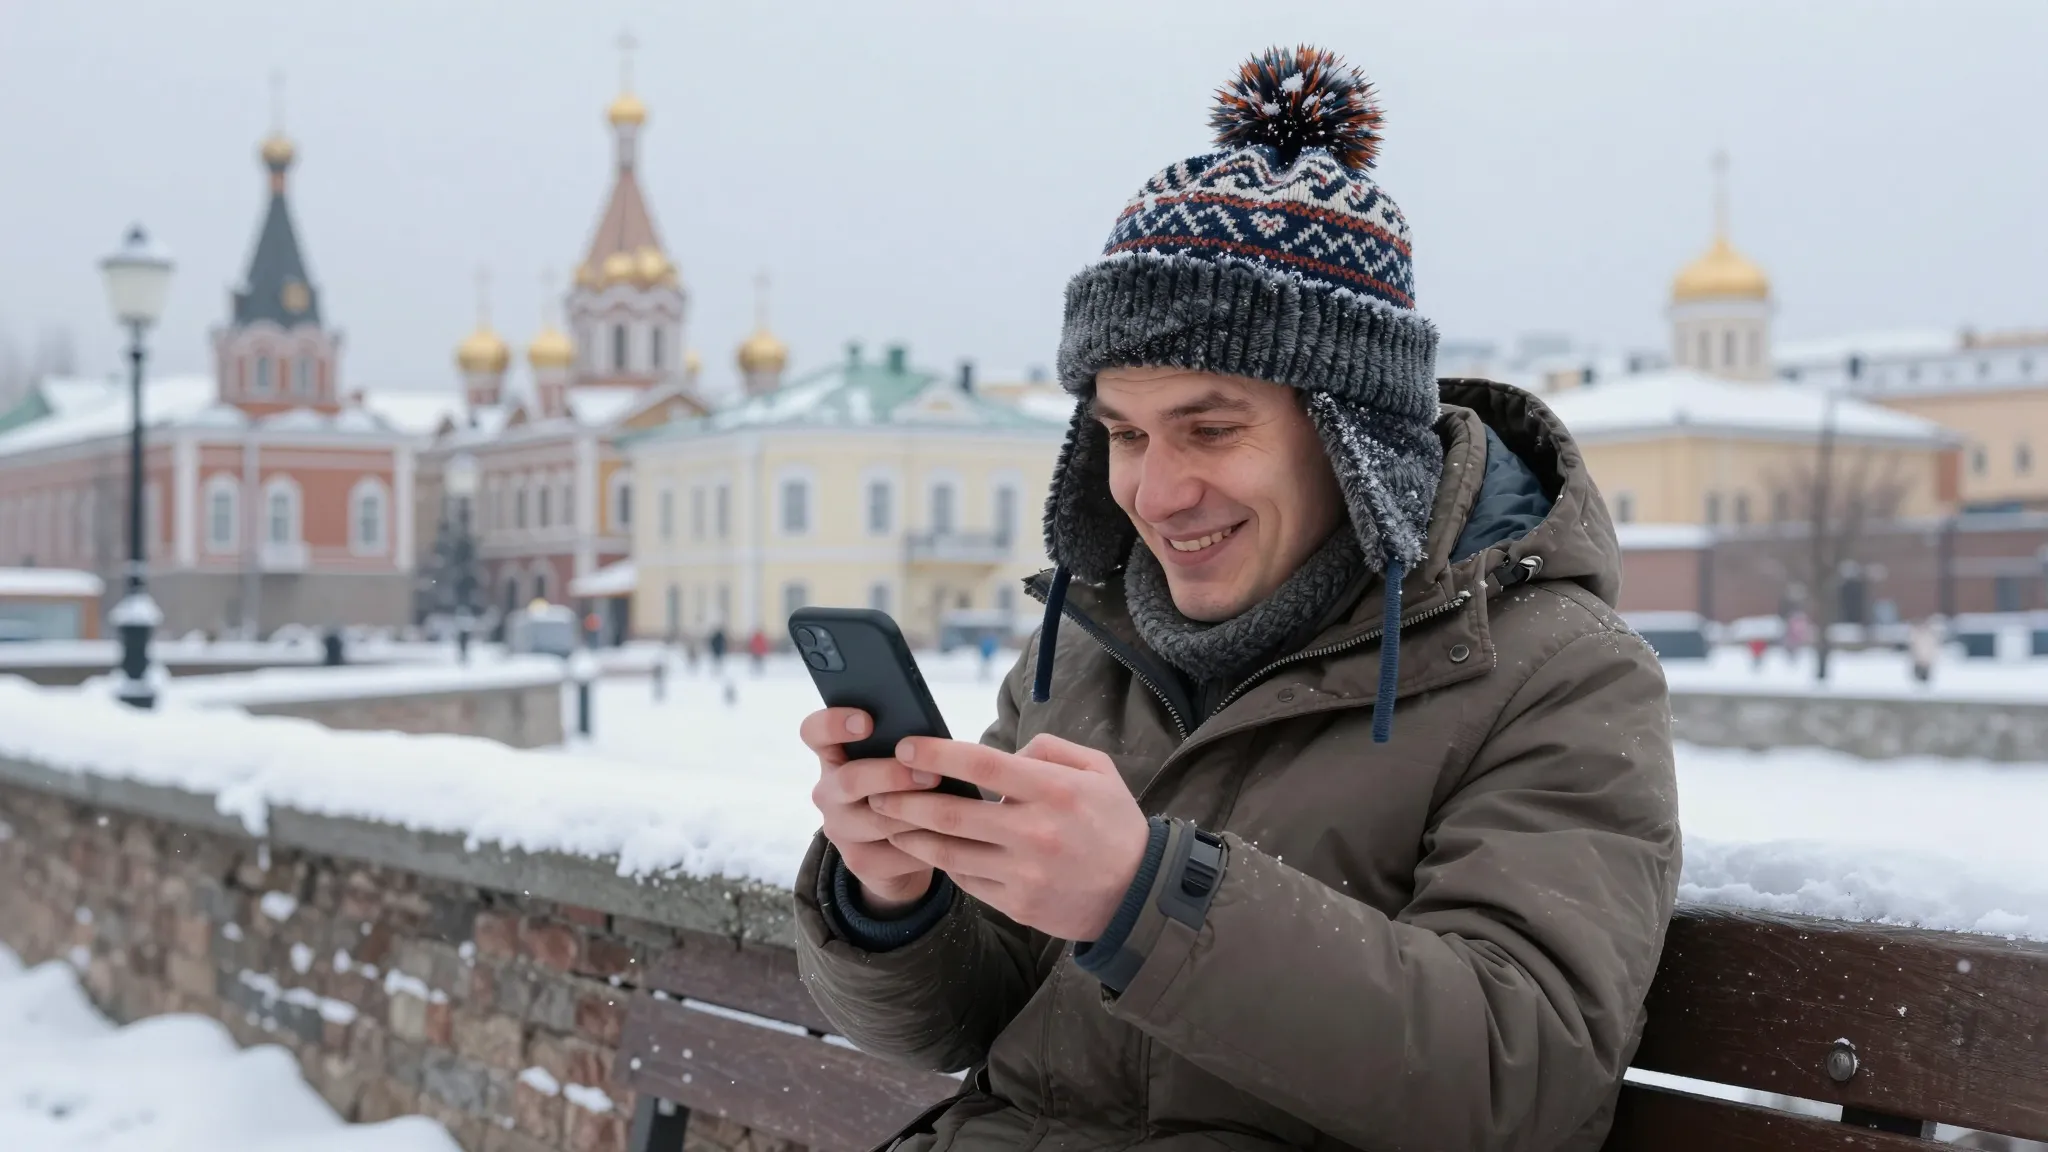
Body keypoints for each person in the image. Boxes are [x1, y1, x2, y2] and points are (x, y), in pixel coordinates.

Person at [794, 47, 1679, 1152]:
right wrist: (896, 897)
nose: (1155, 493)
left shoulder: (1555, 673)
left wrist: (1145, 899)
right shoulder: (1089, 651)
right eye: (1124, 434)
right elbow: (963, 1023)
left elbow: (1522, 1080)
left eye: (1210, 429)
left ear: (1356, 439)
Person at [1909, 615, 1942, 684]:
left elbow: (1933, 647)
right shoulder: (1917, 635)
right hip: (1919, 659)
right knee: (1918, 675)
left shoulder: (1930, 635)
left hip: (1926, 659)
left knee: (1925, 674)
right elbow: (1914, 646)